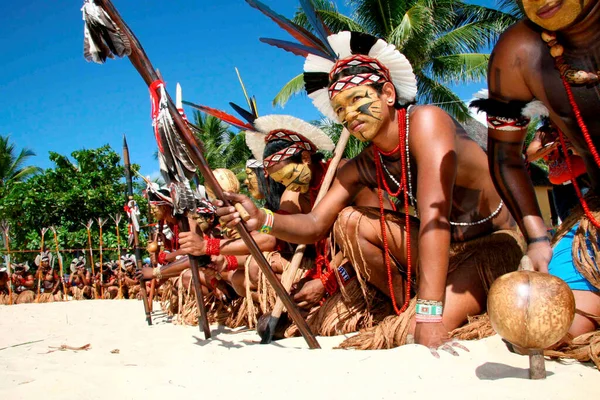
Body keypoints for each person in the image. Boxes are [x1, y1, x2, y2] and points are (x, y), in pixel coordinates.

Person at [217, 29, 523, 350]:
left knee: (418, 330)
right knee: (348, 220)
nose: (349, 115)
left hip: (488, 244)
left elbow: (435, 218)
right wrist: (263, 218)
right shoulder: (362, 164)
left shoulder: (427, 123)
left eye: (356, 100)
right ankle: (407, 300)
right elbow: (314, 225)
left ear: (388, 94)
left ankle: (426, 304)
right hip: (435, 254)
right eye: (340, 110)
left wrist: (431, 314)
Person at [476, 0, 600, 337]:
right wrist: (537, 239)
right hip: (597, 220)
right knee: (553, 325)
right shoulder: (521, 52)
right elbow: (506, 157)